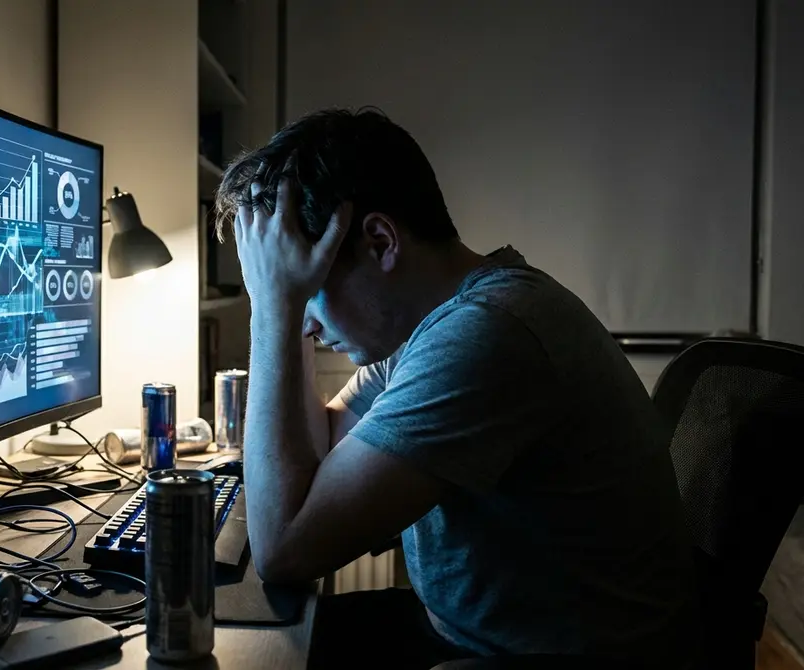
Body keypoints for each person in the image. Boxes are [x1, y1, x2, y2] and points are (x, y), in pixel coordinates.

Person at [213, 108, 696, 669]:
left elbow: (287, 550)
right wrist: (289, 302)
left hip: (545, 658)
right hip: (469, 637)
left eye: (309, 286)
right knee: (244, 645)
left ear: (380, 241)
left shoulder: (487, 333)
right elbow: (319, 443)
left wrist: (275, 307)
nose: (308, 325)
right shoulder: (437, 323)